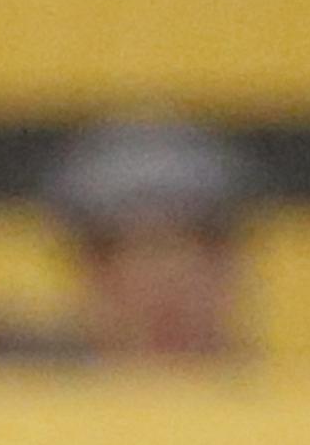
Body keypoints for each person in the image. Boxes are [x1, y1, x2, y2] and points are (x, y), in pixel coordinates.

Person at [43, 117, 259, 362]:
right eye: (145, 251)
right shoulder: (20, 388)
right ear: (90, 269)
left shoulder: (289, 391)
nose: (165, 285)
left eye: (197, 250)